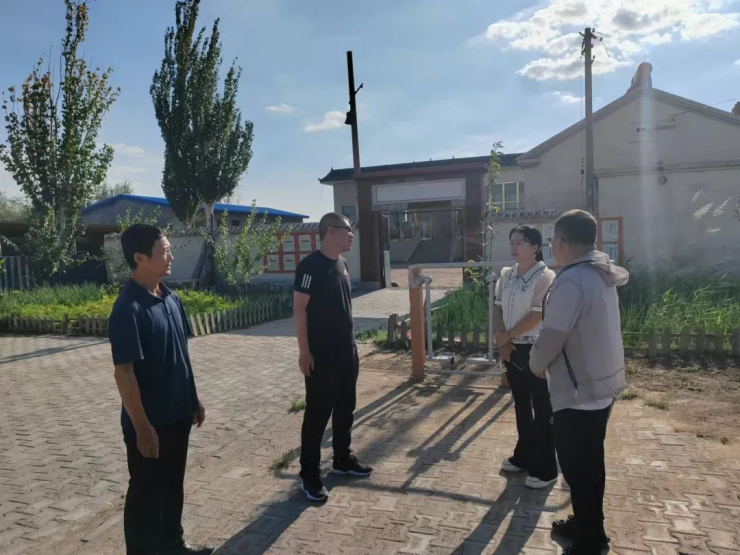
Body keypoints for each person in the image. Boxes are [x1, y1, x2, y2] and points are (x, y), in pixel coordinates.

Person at [529, 210, 629, 555]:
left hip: (578, 390)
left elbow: (552, 336)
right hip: (600, 384)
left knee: (578, 468)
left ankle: (590, 541)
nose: (552, 246)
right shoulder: (600, 272)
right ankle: (587, 524)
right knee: (590, 464)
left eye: (552, 240)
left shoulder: (571, 280)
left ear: (561, 241)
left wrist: (536, 364)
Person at [108, 224, 212, 555]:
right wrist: (142, 428)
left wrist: (193, 399)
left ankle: (173, 545)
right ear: (140, 258)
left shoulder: (171, 298)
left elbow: (180, 356)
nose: (170, 257)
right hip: (151, 422)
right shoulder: (128, 309)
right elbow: (124, 373)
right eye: (164, 251)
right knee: (146, 496)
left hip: (178, 414)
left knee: (171, 487)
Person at [293, 212, 373, 502]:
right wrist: (304, 351)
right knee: (317, 416)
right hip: (322, 356)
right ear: (330, 231)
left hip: (347, 352)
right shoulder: (310, 266)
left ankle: (341, 459)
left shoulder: (343, 263)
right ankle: (309, 474)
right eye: (347, 229)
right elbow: (299, 309)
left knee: (345, 410)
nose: (352, 234)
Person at [494, 226, 558, 489]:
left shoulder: (545, 276)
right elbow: (497, 307)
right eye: (512, 242)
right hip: (510, 347)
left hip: (534, 347)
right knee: (521, 403)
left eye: (520, 242)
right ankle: (524, 455)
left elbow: (537, 314)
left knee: (541, 407)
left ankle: (546, 467)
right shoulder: (506, 275)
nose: (514, 246)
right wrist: (502, 340)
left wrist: (507, 336)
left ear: (535, 247)